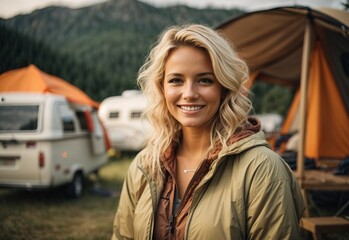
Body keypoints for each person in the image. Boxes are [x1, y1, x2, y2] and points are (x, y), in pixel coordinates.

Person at [112, 24, 305, 240]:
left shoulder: (262, 168)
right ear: (161, 88)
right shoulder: (145, 165)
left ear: (224, 87)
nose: (189, 93)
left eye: (204, 80)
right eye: (176, 80)